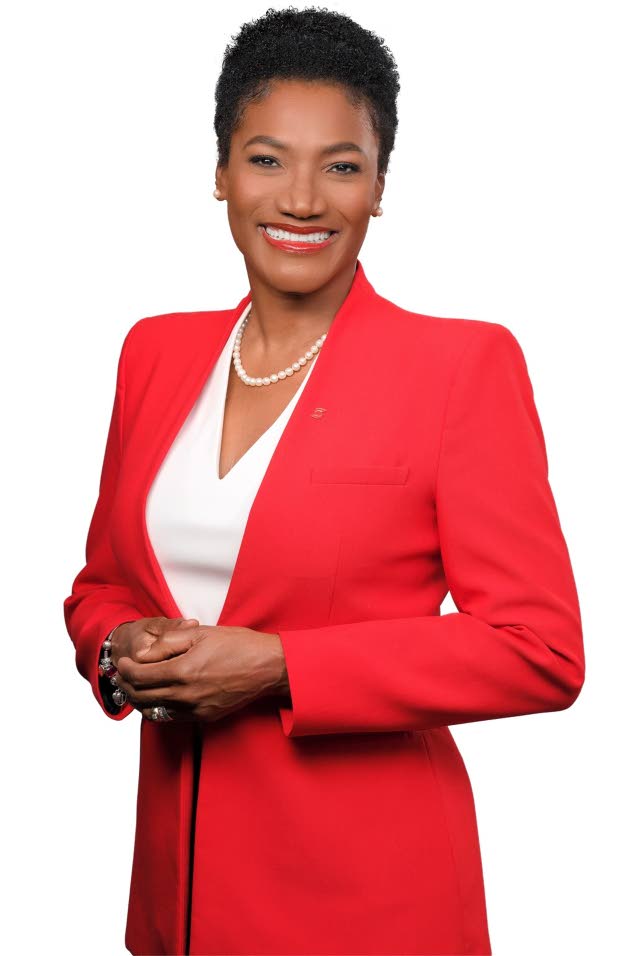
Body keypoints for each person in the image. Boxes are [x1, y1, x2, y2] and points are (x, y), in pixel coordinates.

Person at [63, 7, 585, 955]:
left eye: (341, 167)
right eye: (266, 159)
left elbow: (538, 649)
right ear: (220, 172)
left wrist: (281, 668)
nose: (301, 199)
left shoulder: (458, 367)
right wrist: (117, 646)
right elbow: (102, 583)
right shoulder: (154, 353)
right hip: (177, 903)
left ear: (379, 186)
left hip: (367, 903)